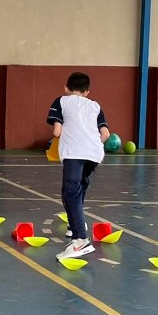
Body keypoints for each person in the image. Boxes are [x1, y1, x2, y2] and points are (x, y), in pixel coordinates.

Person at [47, 71, 110, 261]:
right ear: (87, 92)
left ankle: (80, 238)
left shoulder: (61, 101)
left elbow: (57, 131)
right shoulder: (95, 105)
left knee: (70, 191)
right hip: (95, 153)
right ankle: (73, 227)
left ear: (66, 88)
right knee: (77, 187)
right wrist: (91, 144)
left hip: (74, 152)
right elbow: (105, 134)